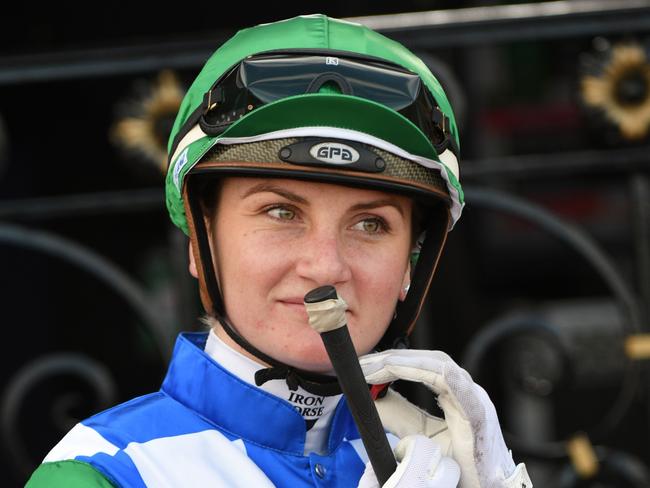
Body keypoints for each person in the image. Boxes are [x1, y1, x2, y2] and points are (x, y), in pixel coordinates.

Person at [26, 13, 532, 488]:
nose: (325, 266)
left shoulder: (445, 465)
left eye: (371, 223)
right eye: (281, 213)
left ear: (410, 265)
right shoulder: (103, 470)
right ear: (201, 245)